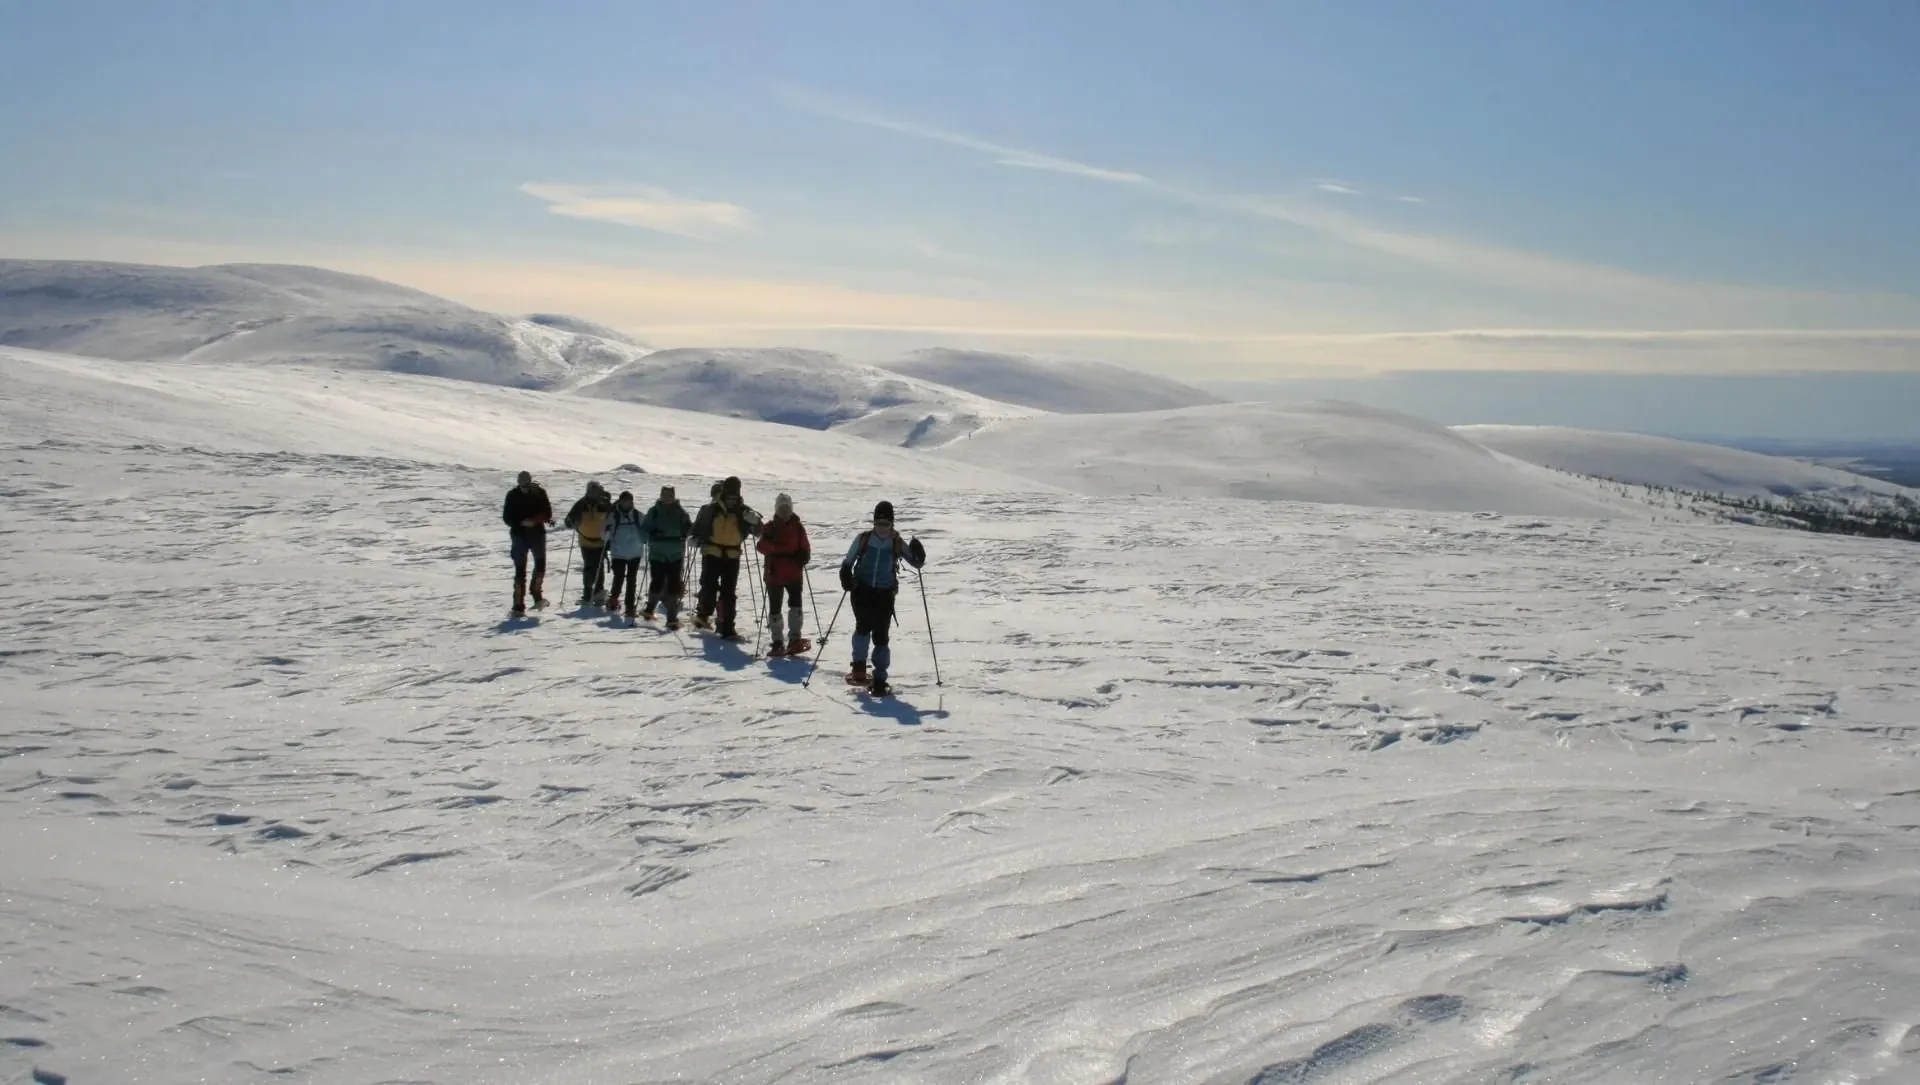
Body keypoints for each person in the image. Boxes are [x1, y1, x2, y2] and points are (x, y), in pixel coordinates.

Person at [838, 500, 926, 696]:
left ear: (892, 524)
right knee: (863, 625)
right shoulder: (863, 539)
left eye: (886, 525)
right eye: (879, 524)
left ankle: (879, 677)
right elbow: (848, 562)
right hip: (861, 590)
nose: (882, 529)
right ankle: (859, 666)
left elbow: (915, 562)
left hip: (885, 594)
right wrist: (846, 577)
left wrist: (919, 554)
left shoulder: (896, 542)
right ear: (874, 523)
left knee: (881, 636)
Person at [691, 476, 762, 639]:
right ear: (724, 494)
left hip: (731, 555)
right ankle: (704, 614)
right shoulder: (712, 509)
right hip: (712, 552)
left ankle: (726, 625)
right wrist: (694, 537)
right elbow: (699, 526)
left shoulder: (744, 511)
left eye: (734, 497)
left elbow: (759, 532)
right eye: (730, 497)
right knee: (709, 587)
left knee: (728, 592)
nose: (732, 500)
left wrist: (756, 523)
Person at [755, 493, 812, 656]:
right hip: (775, 575)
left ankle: (794, 638)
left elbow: (805, 547)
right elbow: (761, 547)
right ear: (777, 509)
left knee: (795, 607)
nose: (784, 512)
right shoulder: (769, 527)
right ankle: (778, 641)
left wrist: (804, 555)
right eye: (782, 508)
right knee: (775, 608)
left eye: (787, 508)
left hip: (792, 574)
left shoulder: (798, 528)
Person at [638, 485, 694, 628]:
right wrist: (649, 536)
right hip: (661, 552)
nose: (668, 497)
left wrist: (691, 534)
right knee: (658, 581)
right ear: (661, 495)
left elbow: (689, 528)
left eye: (670, 495)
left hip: (672, 553)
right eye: (666, 494)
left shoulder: (679, 513)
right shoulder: (654, 512)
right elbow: (644, 529)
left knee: (673, 584)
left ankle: (668, 616)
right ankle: (659, 613)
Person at [501, 470, 553, 614]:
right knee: (520, 570)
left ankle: (536, 594)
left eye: (527, 485)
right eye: (523, 485)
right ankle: (518, 604)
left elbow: (548, 513)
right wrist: (522, 522)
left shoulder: (539, 493)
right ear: (519, 484)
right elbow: (507, 517)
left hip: (537, 534)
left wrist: (535, 520)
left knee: (540, 566)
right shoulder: (512, 495)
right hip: (519, 535)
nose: (525, 488)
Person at [563, 481, 614, 607]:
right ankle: (589, 593)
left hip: (600, 542)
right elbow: (569, 519)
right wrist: (570, 522)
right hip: (586, 542)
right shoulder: (581, 504)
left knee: (598, 567)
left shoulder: (604, 504)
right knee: (589, 567)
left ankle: (597, 593)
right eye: (591, 490)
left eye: (595, 490)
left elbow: (613, 518)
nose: (593, 493)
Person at [602, 490, 648, 621]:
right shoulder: (613, 516)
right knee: (619, 577)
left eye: (629, 501)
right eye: (625, 501)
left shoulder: (638, 515)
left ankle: (629, 606)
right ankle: (614, 599)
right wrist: (606, 534)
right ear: (620, 501)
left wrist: (647, 537)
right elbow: (603, 532)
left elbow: (645, 530)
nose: (627, 503)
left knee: (631, 580)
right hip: (619, 552)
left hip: (635, 552)